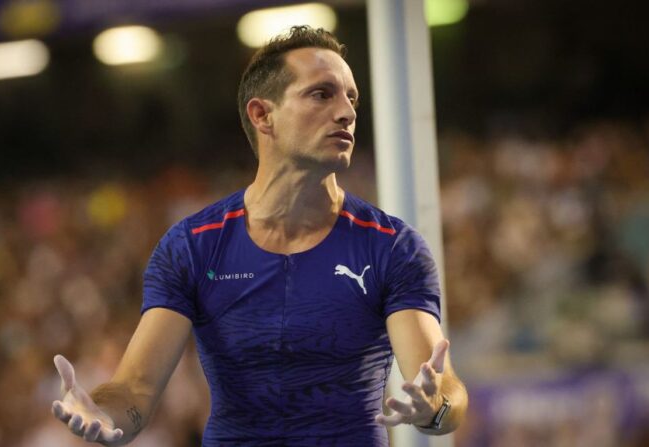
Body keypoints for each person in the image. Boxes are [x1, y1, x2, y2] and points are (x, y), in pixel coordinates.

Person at [51, 26, 468, 446]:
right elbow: (135, 389)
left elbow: (441, 386)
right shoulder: (193, 246)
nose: (346, 112)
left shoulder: (391, 246)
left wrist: (436, 408)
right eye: (322, 94)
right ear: (262, 114)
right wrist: (103, 411)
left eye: (351, 97)